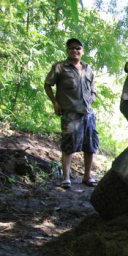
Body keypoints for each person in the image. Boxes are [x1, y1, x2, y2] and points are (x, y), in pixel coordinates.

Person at [44, 38, 99, 189]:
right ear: (67, 51)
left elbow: (93, 90)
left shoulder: (88, 68)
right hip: (70, 112)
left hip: (88, 113)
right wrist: (55, 102)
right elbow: (47, 84)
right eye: (71, 48)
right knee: (68, 144)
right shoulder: (60, 67)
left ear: (83, 51)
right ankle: (66, 178)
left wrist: (90, 100)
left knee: (90, 145)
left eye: (78, 48)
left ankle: (87, 177)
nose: (75, 51)